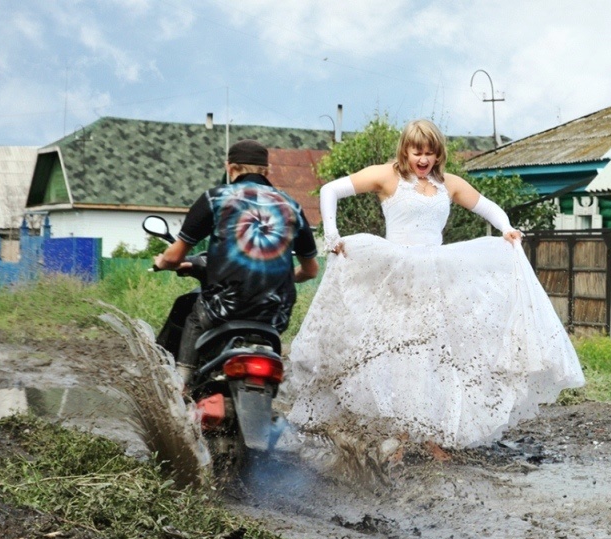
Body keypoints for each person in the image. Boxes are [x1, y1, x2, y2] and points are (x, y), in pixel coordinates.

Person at [286, 119, 584, 452]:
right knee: (398, 353)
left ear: (438, 153)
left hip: (435, 279)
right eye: (417, 152)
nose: (423, 159)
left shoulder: (449, 184)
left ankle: (432, 438)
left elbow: (486, 206)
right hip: (396, 277)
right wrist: (332, 234)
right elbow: (330, 190)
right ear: (406, 151)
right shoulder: (388, 176)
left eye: (430, 153)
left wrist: (507, 228)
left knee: (435, 355)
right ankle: (398, 438)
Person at [155, 139, 319, 383]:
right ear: (266, 171)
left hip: (225, 309)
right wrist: (279, 279)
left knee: (194, 314)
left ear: (229, 168)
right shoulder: (291, 206)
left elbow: (174, 256)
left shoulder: (216, 198)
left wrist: (162, 262)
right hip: (275, 313)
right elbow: (311, 270)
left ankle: (182, 384)